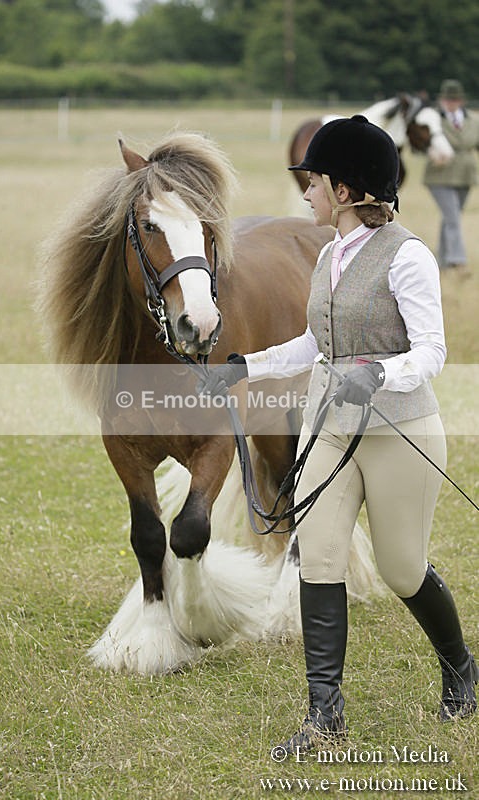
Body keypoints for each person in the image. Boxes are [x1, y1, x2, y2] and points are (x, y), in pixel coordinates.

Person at [198, 115, 477, 752]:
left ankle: (461, 666)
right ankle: (324, 717)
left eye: (313, 182)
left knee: (403, 569)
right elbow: (311, 343)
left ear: (345, 190)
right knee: (319, 559)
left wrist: (375, 374)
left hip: (397, 432)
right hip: (327, 429)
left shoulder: (408, 255)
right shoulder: (328, 256)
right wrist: (248, 367)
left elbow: (432, 352)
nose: (304, 194)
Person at [424, 79, 479, 275]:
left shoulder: (473, 120)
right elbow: (421, 143)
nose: (451, 103)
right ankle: (458, 261)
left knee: (450, 219)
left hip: (466, 175)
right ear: (442, 100)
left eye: (454, 99)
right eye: (448, 99)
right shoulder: (433, 120)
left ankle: (442, 262)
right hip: (440, 175)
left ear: (461, 100)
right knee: (453, 218)